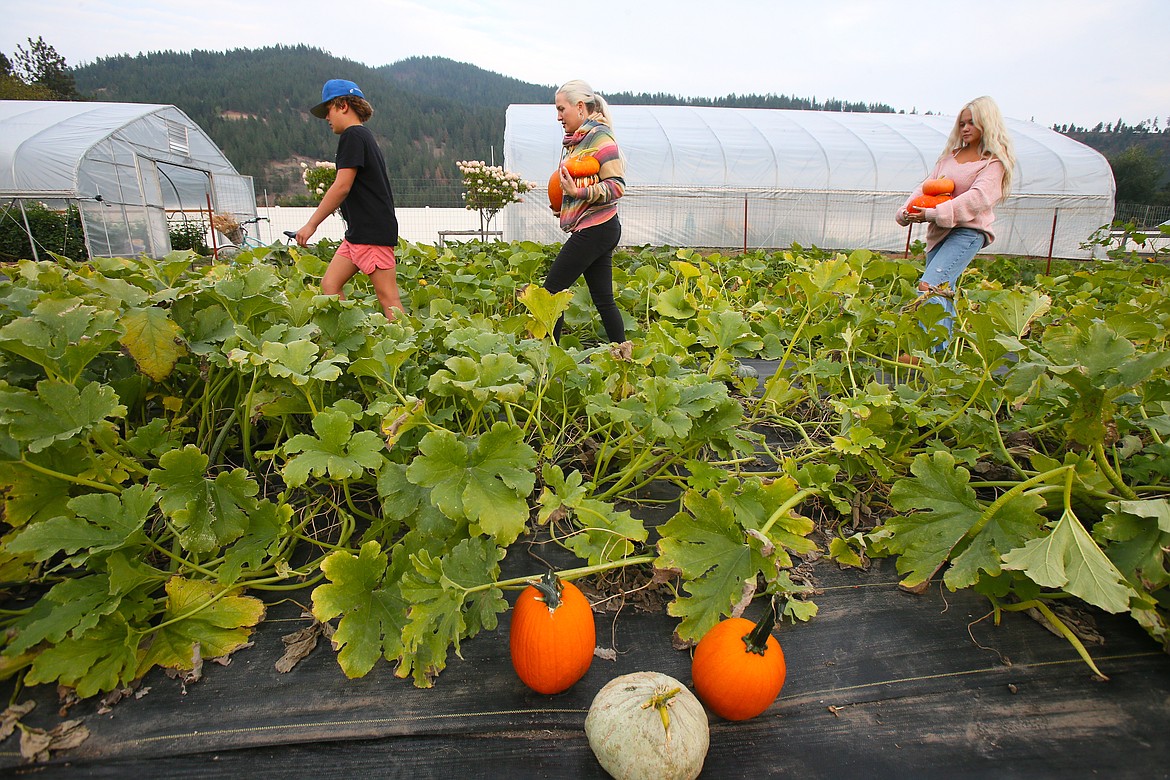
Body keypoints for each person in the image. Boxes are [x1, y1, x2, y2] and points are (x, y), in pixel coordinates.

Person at [896, 95, 1016, 352]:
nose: (965, 128)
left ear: (988, 123)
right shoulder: (950, 157)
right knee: (942, 290)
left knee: (929, 287)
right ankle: (941, 356)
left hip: (968, 232)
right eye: (962, 123)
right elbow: (926, 186)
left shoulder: (993, 162)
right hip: (939, 232)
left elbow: (978, 198)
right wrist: (906, 211)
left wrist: (932, 213)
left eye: (972, 122)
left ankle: (930, 353)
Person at [296, 79, 404, 320]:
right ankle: (349, 334)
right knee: (330, 286)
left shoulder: (352, 136)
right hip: (357, 234)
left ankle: (408, 349)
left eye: (328, 110)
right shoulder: (361, 137)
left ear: (343, 105)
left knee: (388, 298)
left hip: (372, 232)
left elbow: (342, 186)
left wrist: (311, 224)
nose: (326, 118)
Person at [543, 80, 626, 344]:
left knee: (552, 294)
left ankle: (550, 365)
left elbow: (616, 186)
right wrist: (567, 206)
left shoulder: (600, 137)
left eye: (561, 109)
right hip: (598, 227)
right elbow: (586, 184)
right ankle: (624, 360)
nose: (558, 117)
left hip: (597, 228)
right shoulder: (578, 142)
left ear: (580, 107)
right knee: (604, 301)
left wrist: (578, 195)